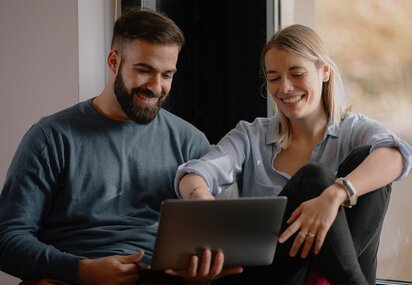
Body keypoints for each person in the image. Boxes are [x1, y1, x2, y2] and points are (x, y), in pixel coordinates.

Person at [0, 8, 240, 285]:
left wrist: (199, 273)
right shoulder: (50, 137)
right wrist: (81, 271)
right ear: (114, 61)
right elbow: (8, 239)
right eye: (144, 70)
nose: (156, 86)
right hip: (70, 276)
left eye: (167, 74)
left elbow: (203, 240)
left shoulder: (190, 140)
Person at [173, 24, 412, 285]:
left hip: (334, 272)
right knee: (313, 178)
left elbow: (399, 155)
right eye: (274, 77)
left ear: (324, 72)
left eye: (296, 74)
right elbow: (193, 174)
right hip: (273, 275)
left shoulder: (353, 129)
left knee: (367, 161)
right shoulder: (251, 135)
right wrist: (203, 200)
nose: (285, 88)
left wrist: (335, 195)